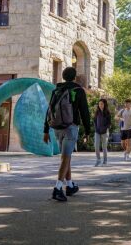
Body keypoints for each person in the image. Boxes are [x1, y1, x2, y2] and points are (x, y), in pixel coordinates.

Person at [43, 67, 90, 202]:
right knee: (65, 157)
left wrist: (46, 130)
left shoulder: (56, 90)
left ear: (63, 77)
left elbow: (49, 110)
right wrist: (87, 131)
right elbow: (84, 112)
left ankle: (69, 185)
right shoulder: (78, 90)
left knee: (66, 157)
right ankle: (57, 188)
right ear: (74, 77)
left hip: (57, 128)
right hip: (71, 127)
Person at [93, 99, 111, 166]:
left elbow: (109, 123)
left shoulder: (107, 113)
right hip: (97, 132)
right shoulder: (97, 112)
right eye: (99, 104)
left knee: (104, 147)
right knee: (96, 146)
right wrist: (96, 128)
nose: (100, 105)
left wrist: (105, 128)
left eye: (102, 104)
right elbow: (94, 121)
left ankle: (105, 161)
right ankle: (98, 160)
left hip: (105, 132)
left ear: (104, 104)